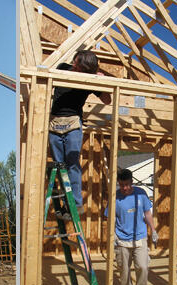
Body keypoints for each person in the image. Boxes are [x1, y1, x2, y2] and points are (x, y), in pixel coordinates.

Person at [49, 50, 111, 220]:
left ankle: (75, 204)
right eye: (75, 63)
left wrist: (100, 80)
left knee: (73, 165)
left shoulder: (89, 80)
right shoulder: (62, 68)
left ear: (86, 70)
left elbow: (107, 100)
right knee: (60, 167)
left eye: (78, 67)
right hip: (54, 123)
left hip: (73, 124)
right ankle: (65, 205)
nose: (74, 67)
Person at [104, 169, 158, 285]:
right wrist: (112, 237)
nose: (125, 188)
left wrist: (153, 229)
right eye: (122, 185)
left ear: (132, 182)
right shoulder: (115, 197)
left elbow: (147, 213)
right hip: (122, 239)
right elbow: (109, 219)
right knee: (124, 270)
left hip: (140, 238)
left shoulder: (141, 194)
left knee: (143, 267)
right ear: (118, 183)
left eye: (127, 185)